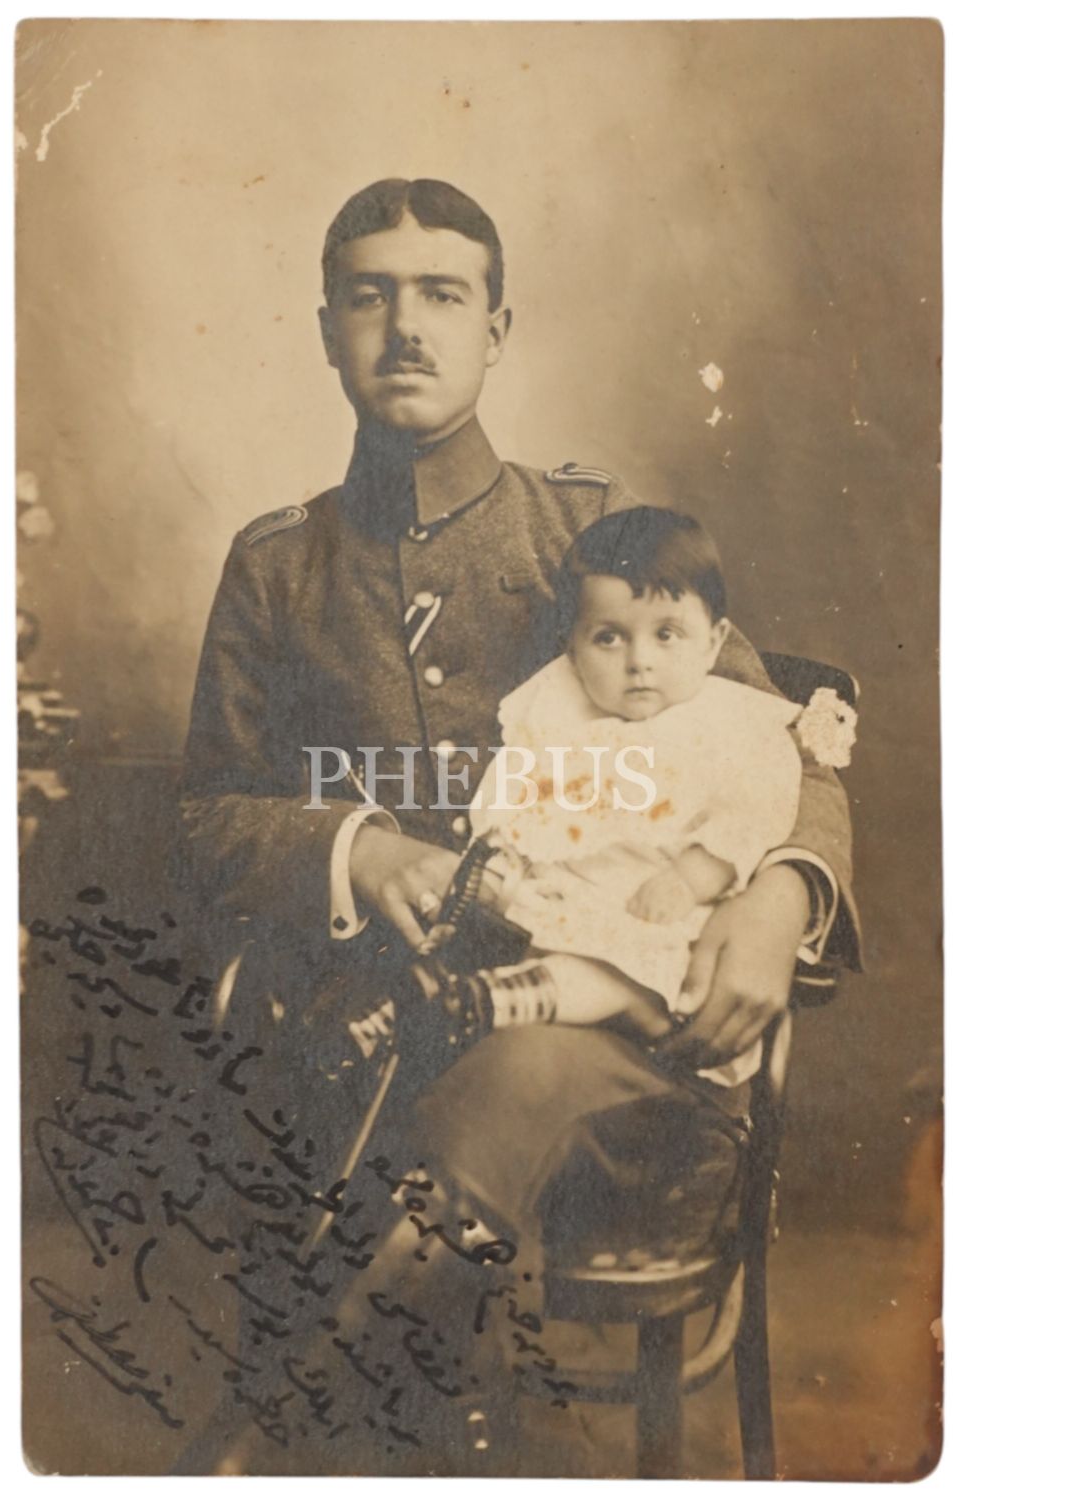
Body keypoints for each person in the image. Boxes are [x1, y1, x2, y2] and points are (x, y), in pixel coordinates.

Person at [176, 177, 861, 1470]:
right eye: (370, 297)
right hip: (364, 1031)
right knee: (303, 1135)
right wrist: (356, 848)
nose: (405, 328)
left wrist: (781, 900)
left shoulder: (589, 535)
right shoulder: (278, 565)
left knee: (482, 1115)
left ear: (496, 329)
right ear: (326, 330)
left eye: (442, 295)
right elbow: (207, 814)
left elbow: (779, 743)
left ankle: (299, 1442)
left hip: (613, 1035)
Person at [452, 505, 811, 1094]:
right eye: (609, 638)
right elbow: (512, 784)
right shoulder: (557, 705)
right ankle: (452, 1003)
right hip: (561, 902)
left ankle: (504, 1000)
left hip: (672, 915)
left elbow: (751, 813)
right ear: (573, 648)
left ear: (714, 641)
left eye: (666, 635)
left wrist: (690, 879)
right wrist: (501, 853)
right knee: (495, 935)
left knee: (633, 968)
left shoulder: (732, 724)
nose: (639, 661)